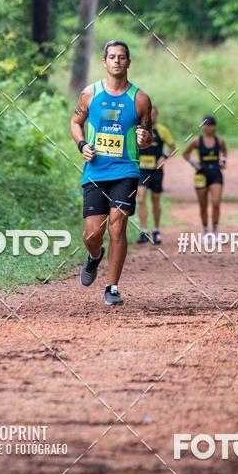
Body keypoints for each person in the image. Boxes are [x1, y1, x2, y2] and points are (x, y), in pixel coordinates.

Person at [70, 40, 152, 305]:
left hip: (126, 169)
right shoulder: (89, 94)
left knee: (118, 225)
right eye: (112, 57)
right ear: (104, 62)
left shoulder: (140, 99)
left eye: (122, 57)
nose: (117, 61)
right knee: (93, 234)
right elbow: (75, 122)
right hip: (95, 171)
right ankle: (95, 256)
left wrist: (144, 138)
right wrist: (82, 145)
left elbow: (147, 135)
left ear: (129, 62)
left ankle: (112, 287)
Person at [136, 106, 176, 245]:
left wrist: (164, 157)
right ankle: (144, 231)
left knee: (155, 201)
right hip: (142, 170)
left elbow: (172, 147)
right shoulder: (139, 130)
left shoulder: (162, 130)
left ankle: (157, 230)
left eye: (154, 114)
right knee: (141, 198)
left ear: (157, 116)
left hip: (156, 170)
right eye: (149, 114)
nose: (151, 117)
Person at [182, 117, 227, 237]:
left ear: (215, 126)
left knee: (216, 202)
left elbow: (224, 152)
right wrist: (193, 163)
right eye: (207, 124)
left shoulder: (220, 141)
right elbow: (185, 153)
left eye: (212, 124)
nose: (209, 127)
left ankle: (215, 230)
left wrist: (223, 160)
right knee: (203, 205)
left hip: (216, 174)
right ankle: (206, 232)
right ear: (203, 126)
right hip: (201, 174)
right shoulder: (197, 141)